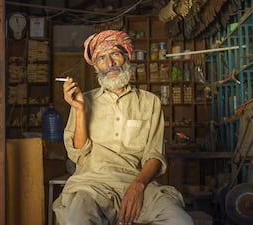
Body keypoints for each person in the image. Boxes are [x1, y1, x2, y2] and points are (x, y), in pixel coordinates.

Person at [52, 30, 194, 225]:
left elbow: (154, 155)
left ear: (126, 57)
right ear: (96, 66)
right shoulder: (84, 100)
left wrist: (138, 185)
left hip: (136, 182)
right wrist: (80, 110)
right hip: (92, 185)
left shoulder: (149, 102)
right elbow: (78, 152)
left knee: (180, 221)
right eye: (101, 58)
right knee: (77, 219)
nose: (109, 63)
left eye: (115, 55)